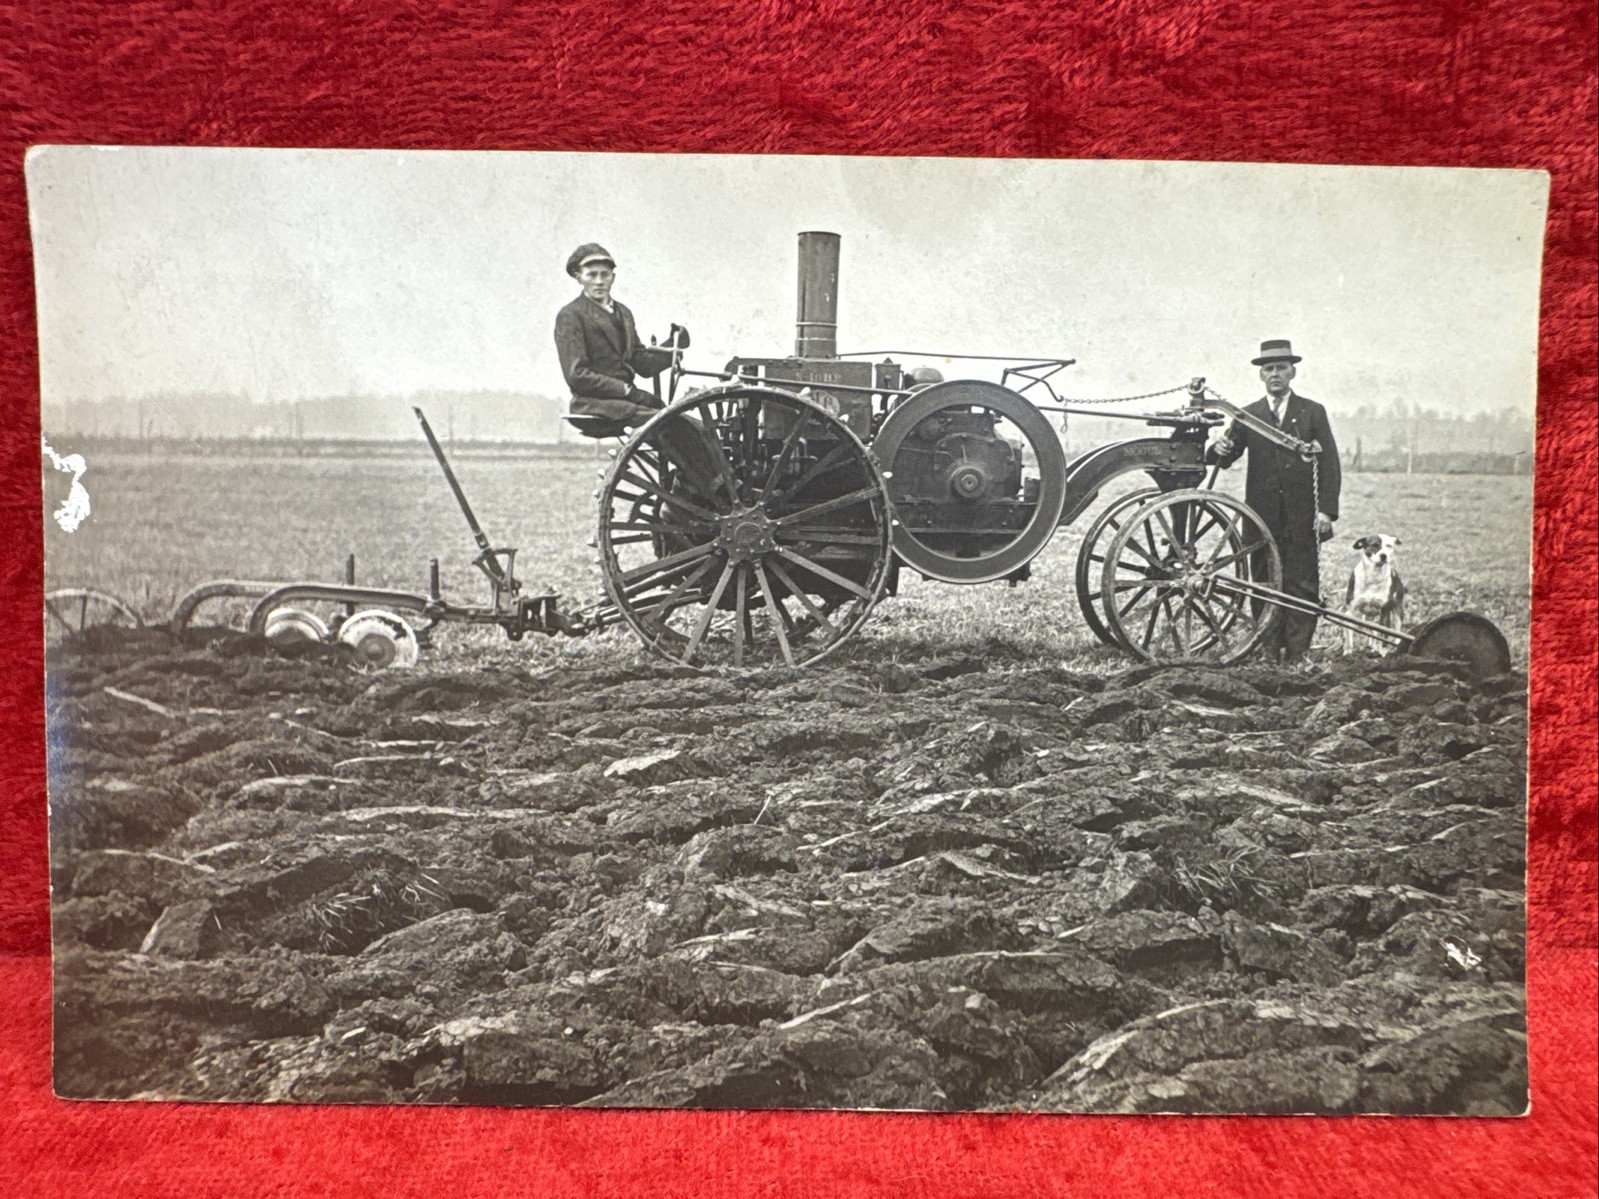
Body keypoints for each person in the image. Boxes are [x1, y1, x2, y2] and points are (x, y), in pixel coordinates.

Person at [1207, 339, 1341, 663]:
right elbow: (1225, 456)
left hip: (1301, 513)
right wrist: (1217, 450)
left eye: (1281, 367)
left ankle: (1297, 653)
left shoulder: (1312, 412)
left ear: (1292, 372)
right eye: (1269, 369)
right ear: (1261, 375)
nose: (1275, 374)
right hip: (1261, 515)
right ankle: (1268, 648)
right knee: (1264, 581)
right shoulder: (1248, 415)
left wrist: (1326, 512)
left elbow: (1330, 464)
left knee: (1302, 580)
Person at [554, 243, 685, 427]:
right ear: (579, 278)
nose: (599, 281)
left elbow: (640, 363)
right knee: (678, 425)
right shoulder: (571, 315)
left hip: (626, 402)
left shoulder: (624, 313)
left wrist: (672, 348)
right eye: (591, 275)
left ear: (612, 278)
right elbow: (577, 375)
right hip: (595, 405)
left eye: (604, 275)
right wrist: (625, 390)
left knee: (687, 424)